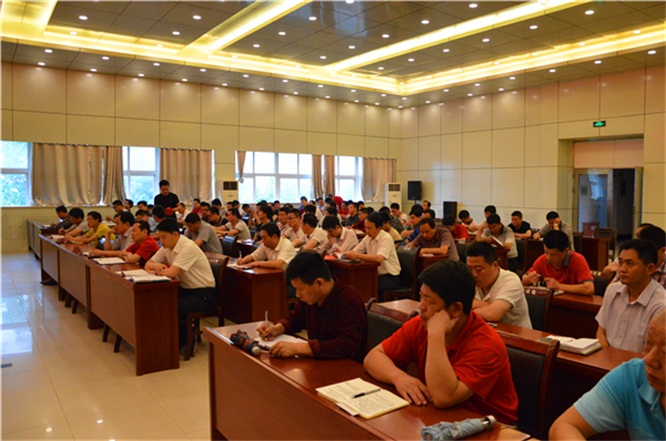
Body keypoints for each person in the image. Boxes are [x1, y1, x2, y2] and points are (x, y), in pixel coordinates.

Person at [364, 260, 518, 424]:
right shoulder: (421, 323)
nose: (421, 307)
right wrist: (399, 378)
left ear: (456, 309)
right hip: (444, 418)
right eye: (421, 297)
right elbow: (373, 357)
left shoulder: (486, 344)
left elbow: (443, 397)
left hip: (492, 426)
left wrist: (436, 335)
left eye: (429, 300)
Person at [549, 310, 666, 440]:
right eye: (648, 344)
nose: (649, 359)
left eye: (664, 352)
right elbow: (564, 426)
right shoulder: (632, 376)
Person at [256, 252, 367, 361]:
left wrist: (300, 348)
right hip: (319, 362)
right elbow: (296, 319)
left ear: (319, 283)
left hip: (347, 366)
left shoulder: (349, 299)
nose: (297, 295)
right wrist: (277, 328)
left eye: (300, 289)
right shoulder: (312, 297)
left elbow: (347, 345)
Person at [146, 218, 217, 351]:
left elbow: (171, 273)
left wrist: (158, 271)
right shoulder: (167, 247)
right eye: (160, 237)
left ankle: (183, 343)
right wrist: (157, 266)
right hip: (186, 290)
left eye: (164, 237)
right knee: (159, 301)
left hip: (203, 294)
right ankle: (163, 339)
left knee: (173, 307)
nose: (161, 241)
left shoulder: (188, 247)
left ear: (175, 234)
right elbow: (148, 264)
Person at [596, 239, 666, 353]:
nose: (622, 269)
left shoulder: (661, 305)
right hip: (607, 359)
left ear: (650, 269)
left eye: (630, 264)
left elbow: (653, 352)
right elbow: (601, 332)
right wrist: (608, 358)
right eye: (621, 263)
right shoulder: (612, 290)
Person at [467, 243, 532, 328]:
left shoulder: (511, 280)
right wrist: (488, 306)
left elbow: (492, 314)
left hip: (514, 334)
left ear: (495, 265)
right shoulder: (468, 277)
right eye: (470, 269)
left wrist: (467, 312)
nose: (474, 274)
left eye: (478, 269)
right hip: (484, 330)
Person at [344, 213, 402, 301]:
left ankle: (371, 307)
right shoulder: (368, 238)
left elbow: (379, 258)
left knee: (366, 286)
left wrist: (358, 256)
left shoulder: (386, 238)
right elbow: (355, 251)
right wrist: (341, 254)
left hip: (390, 277)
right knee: (356, 282)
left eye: (370, 228)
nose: (367, 231)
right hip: (375, 275)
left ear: (379, 228)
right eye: (365, 227)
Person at [522, 230, 594, 296]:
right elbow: (524, 279)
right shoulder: (542, 259)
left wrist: (559, 286)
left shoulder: (577, 260)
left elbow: (589, 288)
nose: (548, 257)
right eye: (546, 252)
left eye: (553, 255)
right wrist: (528, 279)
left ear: (565, 251)